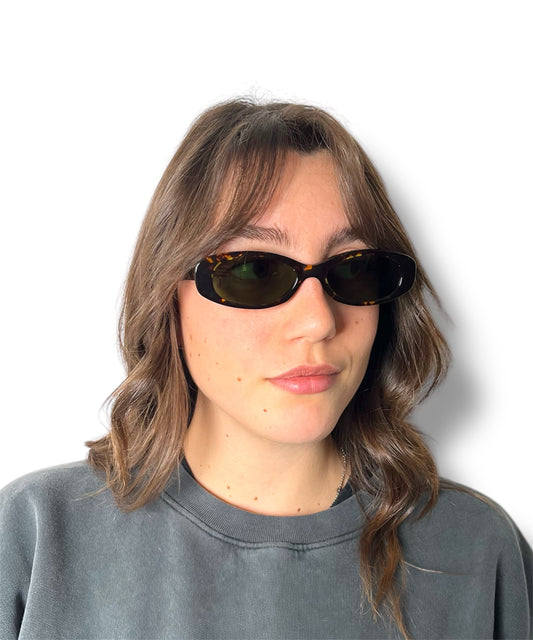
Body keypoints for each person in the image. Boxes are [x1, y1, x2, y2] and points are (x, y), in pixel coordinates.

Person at [1, 99, 531, 640]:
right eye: (254, 270)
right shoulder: (34, 537)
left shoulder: (477, 552)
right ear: (167, 297)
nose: (318, 321)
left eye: (353, 269)